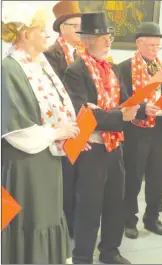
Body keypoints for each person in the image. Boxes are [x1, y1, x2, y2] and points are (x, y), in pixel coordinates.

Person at [1, 4, 79, 263]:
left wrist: (69, 135)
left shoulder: (39, 65)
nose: (48, 33)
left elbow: (55, 112)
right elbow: (16, 132)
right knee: (33, 221)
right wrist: (57, 132)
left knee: (49, 216)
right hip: (27, 164)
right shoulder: (10, 69)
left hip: (47, 159)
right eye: (41, 29)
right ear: (24, 34)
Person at [63, 12, 137, 264]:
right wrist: (119, 116)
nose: (108, 42)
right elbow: (84, 113)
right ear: (86, 40)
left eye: (109, 37)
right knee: (89, 207)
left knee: (116, 202)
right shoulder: (76, 70)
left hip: (114, 146)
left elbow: (125, 102)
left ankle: (110, 251)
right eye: (103, 37)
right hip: (92, 148)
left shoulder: (113, 67)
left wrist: (142, 107)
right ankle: (82, 256)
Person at [118, 22, 162, 239]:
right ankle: (128, 220)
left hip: (158, 127)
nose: (154, 49)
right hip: (135, 129)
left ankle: (152, 218)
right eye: (150, 45)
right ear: (138, 43)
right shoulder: (124, 67)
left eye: (157, 46)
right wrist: (142, 108)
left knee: (156, 176)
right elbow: (121, 100)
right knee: (133, 175)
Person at [44, 0, 82, 239]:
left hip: (82, 123)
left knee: (78, 177)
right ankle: (65, 224)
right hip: (62, 124)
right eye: (76, 26)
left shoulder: (82, 52)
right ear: (62, 27)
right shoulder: (52, 54)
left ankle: (75, 220)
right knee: (65, 179)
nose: (80, 30)